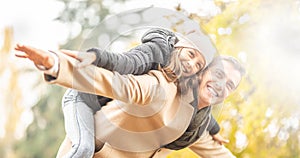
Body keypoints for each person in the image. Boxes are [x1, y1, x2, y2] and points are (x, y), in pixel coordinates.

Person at [16, 28, 225, 157]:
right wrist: (66, 62)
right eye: (190, 55)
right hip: (84, 96)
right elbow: (122, 63)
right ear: (179, 46)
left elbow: (201, 109)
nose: (191, 64)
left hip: (105, 101)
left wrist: (214, 130)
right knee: (83, 149)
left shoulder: (181, 89)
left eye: (198, 64)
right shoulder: (154, 53)